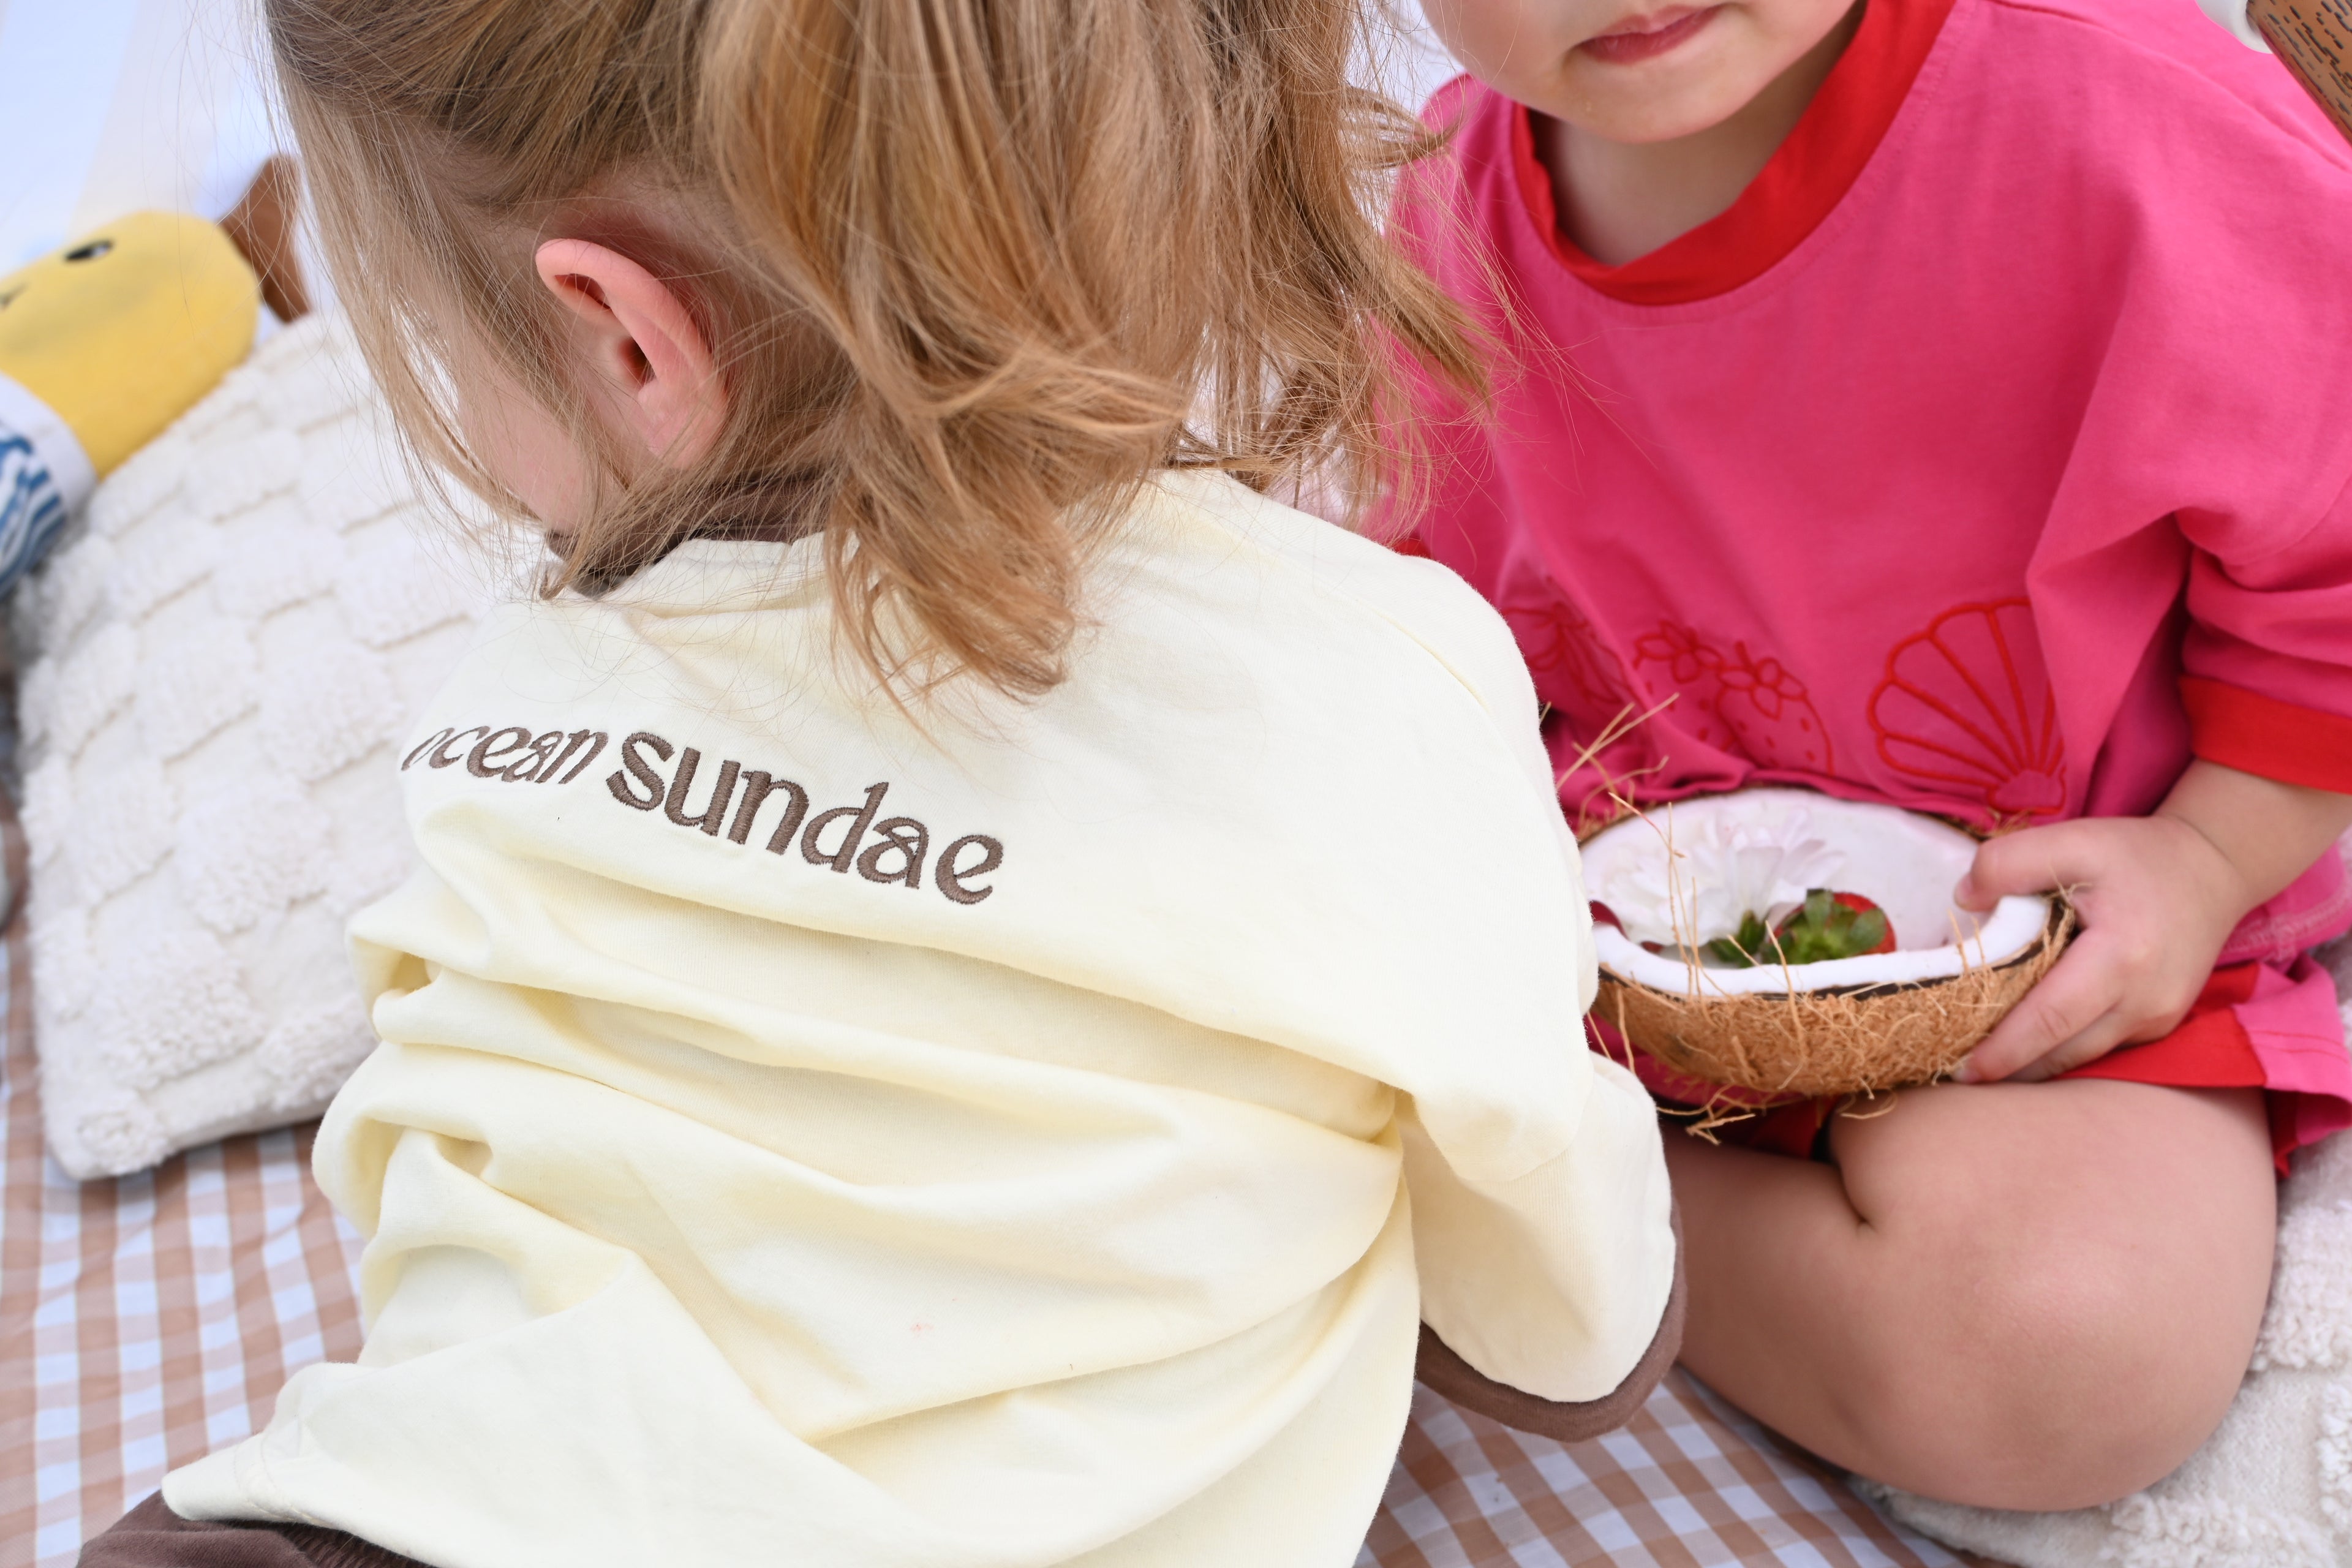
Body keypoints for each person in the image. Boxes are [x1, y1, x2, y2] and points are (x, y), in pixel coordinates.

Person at [75, 0, 1684, 1564]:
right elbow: (1552, 1239)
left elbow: (426, 1130)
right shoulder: (1379, 667)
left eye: (423, 338)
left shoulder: (528, 681)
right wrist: (1595, 1324)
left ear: (629, 334)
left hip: (489, 1489)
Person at [1391, 0, 2352, 1513]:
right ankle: (1478, 1191)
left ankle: (1499, 1224)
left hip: (2053, 971)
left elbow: (2332, 564)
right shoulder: (1419, 218)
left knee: (2066, 1355)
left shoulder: (2139, 124)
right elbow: (1419, 630)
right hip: (1619, 971)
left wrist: (2210, 857)